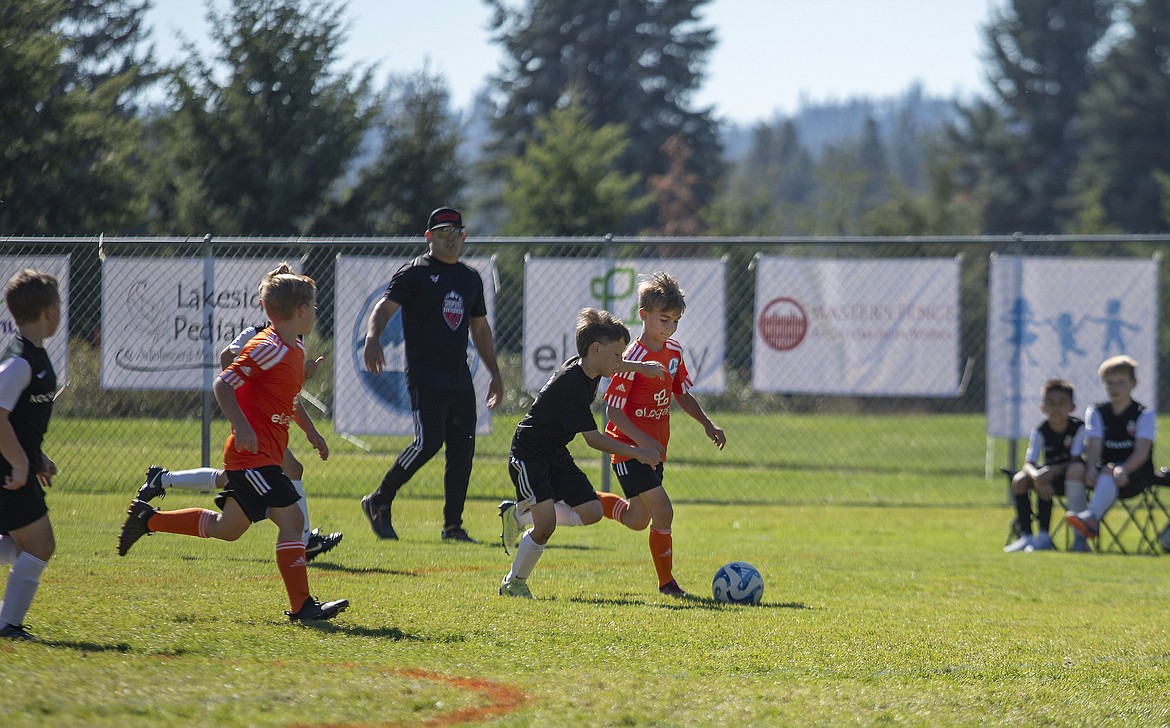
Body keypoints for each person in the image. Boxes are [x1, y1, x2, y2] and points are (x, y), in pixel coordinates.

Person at [118, 264, 348, 622]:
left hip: (264, 455)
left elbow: (286, 399)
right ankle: (303, 606)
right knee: (292, 520)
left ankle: (148, 520)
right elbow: (223, 384)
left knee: (229, 528)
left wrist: (311, 433)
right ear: (301, 311)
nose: (315, 314)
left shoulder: (293, 351)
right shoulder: (267, 346)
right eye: (314, 307)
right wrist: (240, 424)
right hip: (252, 457)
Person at [135, 322, 342, 563]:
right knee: (288, 480)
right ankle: (303, 543)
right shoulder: (261, 335)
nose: (310, 312)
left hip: (268, 426)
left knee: (230, 505)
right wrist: (242, 407)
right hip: (255, 423)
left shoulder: (293, 338)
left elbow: (287, 393)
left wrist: (311, 429)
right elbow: (228, 361)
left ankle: (161, 483)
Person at [497, 308, 663, 599]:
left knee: (592, 512)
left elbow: (615, 366)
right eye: (617, 355)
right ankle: (514, 583)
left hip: (555, 453)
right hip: (530, 453)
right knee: (545, 525)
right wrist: (638, 453)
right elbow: (594, 440)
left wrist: (641, 368)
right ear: (596, 349)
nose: (620, 361)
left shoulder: (591, 365)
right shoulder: (571, 384)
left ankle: (519, 515)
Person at [360, 206, 503, 543]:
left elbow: (479, 329)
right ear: (429, 238)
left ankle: (453, 526)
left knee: (462, 450)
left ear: (464, 237)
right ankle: (380, 499)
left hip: (459, 378)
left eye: (455, 233)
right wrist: (372, 337)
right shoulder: (415, 273)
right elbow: (384, 308)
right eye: (442, 233)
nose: (449, 239)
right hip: (425, 375)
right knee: (428, 442)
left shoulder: (470, 278)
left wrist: (495, 372)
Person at [600, 272, 726, 595]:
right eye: (664, 320)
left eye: (675, 322)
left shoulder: (674, 352)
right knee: (664, 511)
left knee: (636, 519)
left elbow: (681, 393)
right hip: (630, 449)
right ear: (643, 315)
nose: (669, 328)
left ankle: (591, 502)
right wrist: (641, 444)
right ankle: (667, 584)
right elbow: (612, 411)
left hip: (654, 451)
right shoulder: (632, 359)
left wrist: (707, 424)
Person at [0, 270, 62, 641]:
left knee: (25, 545)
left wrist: (37, 457)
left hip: (17, 465)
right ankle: (7, 625)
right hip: (9, 470)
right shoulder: (21, 361)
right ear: (50, 312)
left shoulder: (33, 356)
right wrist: (21, 464)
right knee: (40, 545)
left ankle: (7, 622)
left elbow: (21, 420)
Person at [1066, 355, 1156, 543]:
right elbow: (1094, 443)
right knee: (1076, 470)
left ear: (1134, 383)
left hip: (1135, 475)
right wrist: (1090, 468)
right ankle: (1079, 541)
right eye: (1110, 383)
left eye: (1121, 382)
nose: (1114, 388)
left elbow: (1142, 452)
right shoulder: (1097, 411)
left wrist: (1123, 469)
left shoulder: (1144, 414)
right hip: (1103, 474)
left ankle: (1089, 518)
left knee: (1110, 469)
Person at [1003, 379, 1085, 553]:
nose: (1056, 408)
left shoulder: (1078, 427)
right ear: (1043, 407)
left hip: (1069, 476)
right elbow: (1029, 463)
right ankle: (1026, 536)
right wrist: (1037, 477)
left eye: (1062, 403)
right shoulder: (1040, 430)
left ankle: (1043, 536)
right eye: (1051, 403)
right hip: (1046, 476)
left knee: (1046, 479)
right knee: (1019, 480)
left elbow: (1076, 459)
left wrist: (1052, 471)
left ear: (1072, 407)